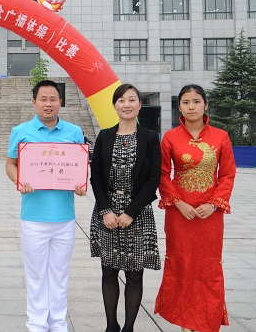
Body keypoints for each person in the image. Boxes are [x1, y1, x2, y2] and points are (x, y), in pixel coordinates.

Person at [5, 79, 87, 332]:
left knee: (59, 274)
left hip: (64, 217)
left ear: (60, 102)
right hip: (33, 217)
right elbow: (10, 164)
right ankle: (37, 324)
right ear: (34, 102)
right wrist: (20, 180)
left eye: (53, 99)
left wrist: (80, 183)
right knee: (36, 275)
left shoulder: (74, 132)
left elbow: (81, 167)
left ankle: (58, 323)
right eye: (43, 99)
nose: (48, 104)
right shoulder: (21, 131)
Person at [154, 84, 236, 332]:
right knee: (181, 264)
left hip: (210, 215)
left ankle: (205, 320)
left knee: (208, 267)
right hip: (180, 214)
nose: (191, 107)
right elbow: (162, 174)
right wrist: (178, 202)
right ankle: (184, 322)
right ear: (179, 107)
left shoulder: (220, 136)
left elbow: (228, 174)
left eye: (196, 101)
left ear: (206, 105)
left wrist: (213, 204)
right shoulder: (170, 137)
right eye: (186, 102)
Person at [89, 84, 161, 332]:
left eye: (132, 100)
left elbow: (153, 178)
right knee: (109, 270)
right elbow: (96, 176)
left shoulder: (150, 138)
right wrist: (106, 210)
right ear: (115, 105)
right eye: (121, 100)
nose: (126, 104)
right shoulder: (104, 136)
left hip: (137, 213)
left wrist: (130, 212)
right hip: (107, 212)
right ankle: (111, 326)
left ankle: (129, 327)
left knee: (134, 273)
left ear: (140, 105)